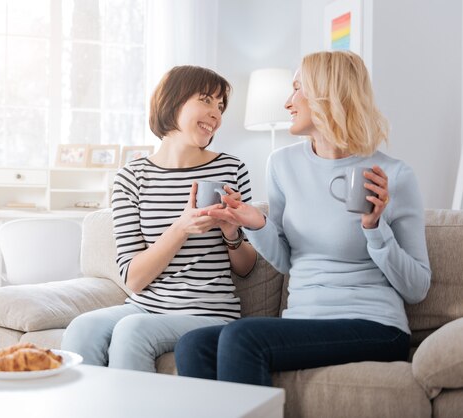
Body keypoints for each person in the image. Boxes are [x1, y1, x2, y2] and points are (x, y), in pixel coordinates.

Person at [174, 50, 431, 386]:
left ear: (327, 95)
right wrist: (256, 223)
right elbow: (285, 261)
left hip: (374, 324)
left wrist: (374, 227)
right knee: (194, 345)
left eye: (297, 89)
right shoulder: (282, 164)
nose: (288, 102)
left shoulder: (393, 175)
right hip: (302, 321)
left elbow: (416, 288)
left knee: (243, 337)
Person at [60, 65, 258, 372]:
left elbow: (246, 268)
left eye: (220, 107)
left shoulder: (231, 170)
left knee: (133, 331)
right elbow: (135, 278)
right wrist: (181, 228)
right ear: (172, 101)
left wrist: (232, 234)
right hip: (145, 306)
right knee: (82, 328)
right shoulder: (131, 178)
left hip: (208, 313)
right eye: (206, 100)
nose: (216, 114)